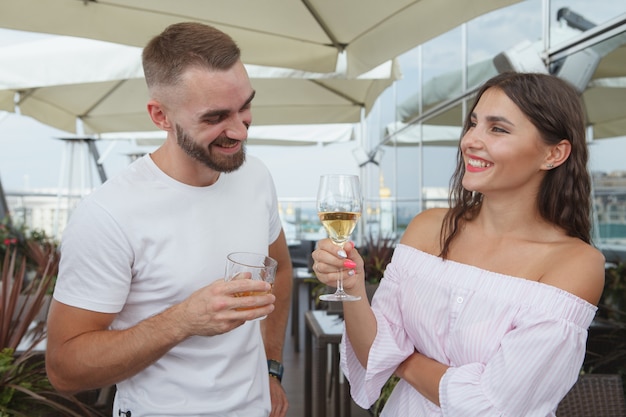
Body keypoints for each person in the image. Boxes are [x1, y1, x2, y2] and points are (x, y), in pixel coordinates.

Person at [311, 72, 606, 416]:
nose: (470, 140)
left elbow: (491, 406)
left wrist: (401, 359)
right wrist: (353, 284)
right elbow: (372, 351)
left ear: (554, 154)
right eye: (473, 124)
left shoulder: (576, 263)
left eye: (497, 129)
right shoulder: (428, 228)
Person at [45, 22, 292, 417]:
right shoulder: (108, 214)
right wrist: (183, 320)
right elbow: (63, 367)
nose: (240, 131)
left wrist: (272, 368)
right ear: (160, 116)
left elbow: (279, 270)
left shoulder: (255, 175)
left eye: (245, 106)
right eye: (216, 117)